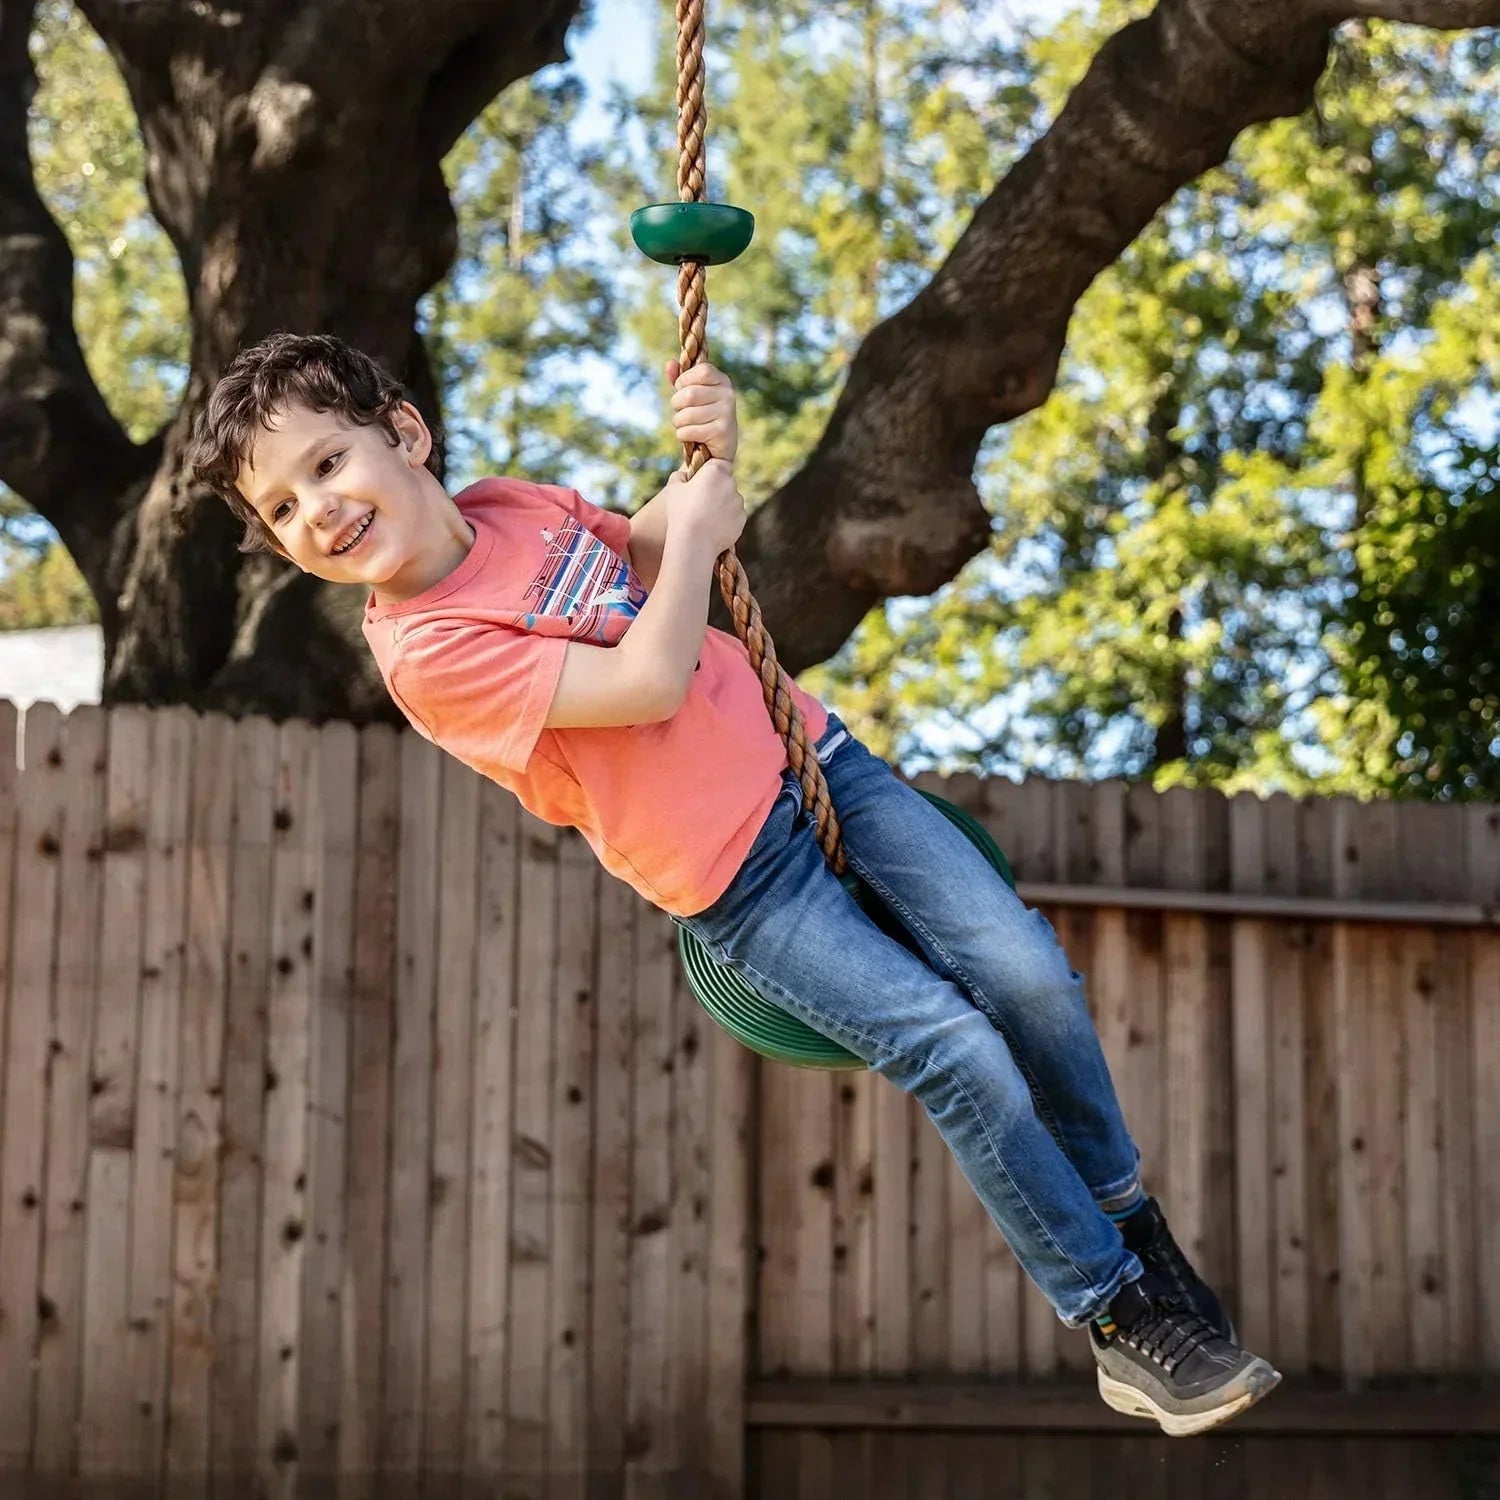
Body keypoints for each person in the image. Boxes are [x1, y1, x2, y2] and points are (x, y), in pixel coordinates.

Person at [190, 331, 1280, 1436]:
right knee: (954, 1049)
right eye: (280, 509)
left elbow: (658, 558)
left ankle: (1127, 1226)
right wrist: (704, 531)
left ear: (406, 433)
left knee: (1028, 974)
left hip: (818, 764)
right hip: (740, 881)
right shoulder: (428, 653)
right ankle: (1111, 1317)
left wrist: (706, 470)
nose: (313, 510)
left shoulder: (511, 505)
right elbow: (652, 676)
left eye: (325, 464)